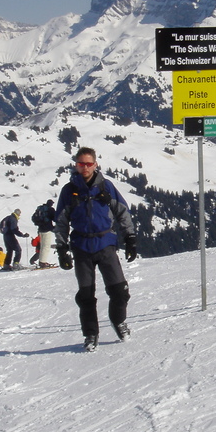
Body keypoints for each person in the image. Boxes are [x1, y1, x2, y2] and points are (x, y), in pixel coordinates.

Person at [55, 147, 137, 351]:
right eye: (81, 164)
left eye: (88, 163)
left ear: (95, 165)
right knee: (86, 296)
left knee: (120, 291)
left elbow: (122, 211)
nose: (85, 167)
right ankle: (91, 334)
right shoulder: (69, 190)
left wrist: (130, 238)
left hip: (105, 243)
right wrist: (62, 248)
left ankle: (118, 321)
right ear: (76, 165)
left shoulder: (105, 186)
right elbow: (61, 221)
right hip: (81, 247)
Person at [33, 199, 56, 268]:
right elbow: (55, 218)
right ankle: (43, 262)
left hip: (40, 229)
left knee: (42, 246)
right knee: (46, 246)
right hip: (47, 229)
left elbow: (33, 218)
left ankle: (41, 261)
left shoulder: (40, 209)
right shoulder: (50, 210)